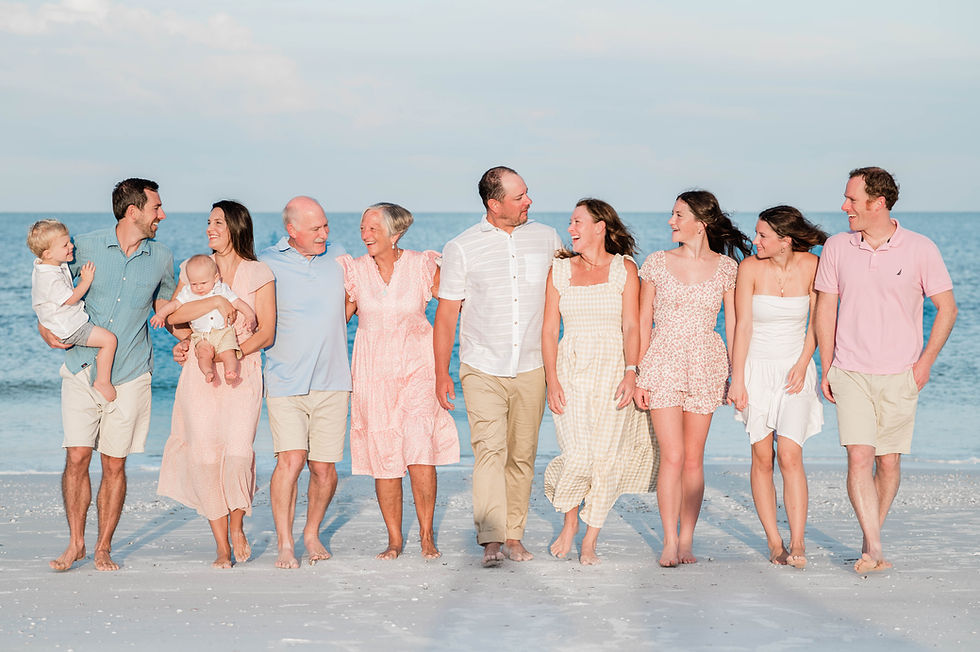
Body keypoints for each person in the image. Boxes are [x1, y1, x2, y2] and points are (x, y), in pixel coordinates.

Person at [815, 167, 957, 574]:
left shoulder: (920, 248)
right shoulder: (838, 247)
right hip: (850, 370)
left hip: (900, 373)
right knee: (859, 457)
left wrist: (924, 363)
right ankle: (874, 548)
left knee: (888, 462)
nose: (844, 207)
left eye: (852, 200)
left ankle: (868, 537)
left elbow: (946, 309)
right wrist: (826, 365)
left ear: (878, 203)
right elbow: (826, 307)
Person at [37, 178, 175, 571]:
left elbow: (167, 304)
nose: (161, 215)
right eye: (156, 208)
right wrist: (44, 330)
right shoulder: (82, 247)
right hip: (81, 366)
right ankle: (76, 543)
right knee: (77, 456)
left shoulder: (162, 256)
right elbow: (50, 294)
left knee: (114, 463)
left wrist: (189, 336)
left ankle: (102, 548)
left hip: (130, 373)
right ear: (133, 212)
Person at [434, 166, 561, 566]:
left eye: (527, 194)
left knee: (522, 455)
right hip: (482, 366)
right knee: (489, 451)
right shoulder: (462, 247)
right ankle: (491, 538)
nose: (529, 202)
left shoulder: (547, 239)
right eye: (520, 196)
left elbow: (567, 298)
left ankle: (514, 535)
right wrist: (442, 373)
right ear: (495, 204)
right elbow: (447, 315)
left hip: (532, 366)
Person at [635, 189, 751, 568]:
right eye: (672, 214)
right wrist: (637, 372)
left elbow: (734, 325)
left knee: (692, 459)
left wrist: (738, 377)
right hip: (663, 359)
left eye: (678, 215)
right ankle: (669, 540)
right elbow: (641, 321)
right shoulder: (655, 262)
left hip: (706, 360)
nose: (671, 221)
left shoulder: (727, 269)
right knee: (671, 455)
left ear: (700, 224)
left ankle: (687, 540)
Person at [157, 201, 276, 569]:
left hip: (241, 370)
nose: (210, 228)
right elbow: (177, 319)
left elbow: (267, 331)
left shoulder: (259, 273)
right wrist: (211, 304)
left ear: (236, 227)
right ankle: (221, 545)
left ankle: (237, 524)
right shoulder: (194, 268)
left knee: (238, 452)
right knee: (205, 456)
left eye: (218, 223)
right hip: (201, 372)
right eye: (208, 222)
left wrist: (235, 351)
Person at [339, 203, 460, 560]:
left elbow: (455, 304)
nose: (365, 235)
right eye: (362, 229)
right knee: (385, 454)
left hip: (419, 367)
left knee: (420, 448)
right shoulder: (355, 272)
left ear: (395, 233)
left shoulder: (423, 265)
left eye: (373, 228)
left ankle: (426, 535)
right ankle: (394, 539)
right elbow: (333, 324)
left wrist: (448, 366)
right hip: (372, 373)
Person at [542, 198, 658, 565]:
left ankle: (590, 538)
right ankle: (570, 522)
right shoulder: (559, 270)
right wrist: (551, 380)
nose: (571, 229)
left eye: (578, 222)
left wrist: (632, 370)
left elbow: (632, 326)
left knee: (606, 457)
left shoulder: (625, 268)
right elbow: (548, 330)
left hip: (613, 369)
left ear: (600, 226)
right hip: (570, 368)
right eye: (570, 223)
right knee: (577, 454)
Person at [728, 205, 827, 568]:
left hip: (795, 368)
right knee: (761, 457)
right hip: (756, 369)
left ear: (785, 241)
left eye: (763, 236)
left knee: (790, 455)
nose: (755, 241)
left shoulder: (813, 266)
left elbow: (818, 322)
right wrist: (736, 379)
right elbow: (743, 327)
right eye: (756, 234)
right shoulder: (749, 268)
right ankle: (774, 542)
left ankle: (798, 541)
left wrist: (804, 364)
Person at [259, 195, 351, 569]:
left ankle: (311, 532)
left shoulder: (341, 256)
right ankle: (285, 542)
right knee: (291, 461)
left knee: (324, 468)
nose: (324, 234)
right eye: (316, 229)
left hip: (333, 380)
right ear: (291, 231)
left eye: (326, 225)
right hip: (284, 379)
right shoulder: (267, 262)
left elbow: (363, 292)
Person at [28, 219, 118, 403]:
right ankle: (102, 381)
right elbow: (70, 298)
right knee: (109, 341)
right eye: (65, 245)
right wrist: (86, 280)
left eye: (69, 242)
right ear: (48, 253)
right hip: (69, 328)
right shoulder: (50, 277)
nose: (71, 246)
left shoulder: (46, 264)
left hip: (62, 324)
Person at [152, 254, 257, 384]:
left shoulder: (221, 289)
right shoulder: (188, 292)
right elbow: (174, 305)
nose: (199, 287)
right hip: (201, 335)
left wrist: (250, 315)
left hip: (223, 332)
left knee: (228, 353)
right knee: (203, 354)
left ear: (215, 278)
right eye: (194, 284)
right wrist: (160, 315)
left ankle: (230, 372)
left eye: (203, 283)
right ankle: (208, 372)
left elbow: (238, 303)